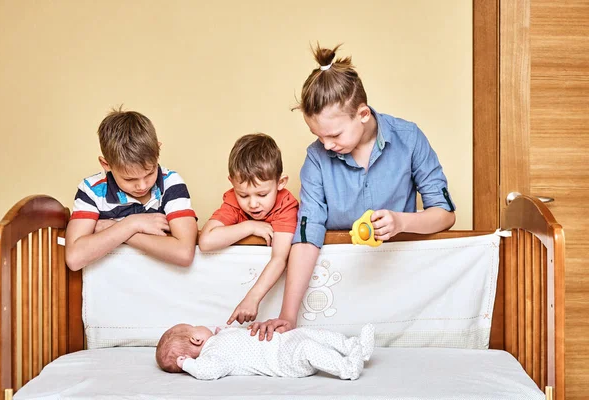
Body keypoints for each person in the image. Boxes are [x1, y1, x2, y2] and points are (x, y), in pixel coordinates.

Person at [249, 44, 456, 340]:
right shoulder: (316, 159)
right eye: (318, 136)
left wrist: (402, 223)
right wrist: (288, 315)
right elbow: (308, 236)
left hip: (399, 283)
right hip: (339, 285)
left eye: (333, 135)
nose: (327, 144)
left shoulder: (409, 138)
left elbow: (445, 214)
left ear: (362, 113)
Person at [65, 108, 198, 271]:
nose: (142, 186)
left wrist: (114, 227)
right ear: (106, 164)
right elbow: (75, 258)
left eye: (149, 173)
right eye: (129, 179)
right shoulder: (92, 190)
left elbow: (183, 253)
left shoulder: (171, 182)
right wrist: (132, 223)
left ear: (158, 150)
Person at [198, 133, 299, 325]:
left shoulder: (286, 206)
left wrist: (252, 298)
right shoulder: (233, 201)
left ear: (281, 182)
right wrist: (249, 226)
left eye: (262, 194)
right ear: (232, 183)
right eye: (243, 195)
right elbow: (205, 241)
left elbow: (279, 258)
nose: (253, 204)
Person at [155, 322, 375, 380]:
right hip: (283, 361)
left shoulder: (218, 340)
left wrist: (227, 332)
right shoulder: (213, 355)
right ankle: (347, 368)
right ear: (196, 339)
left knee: (312, 334)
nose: (202, 325)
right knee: (308, 348)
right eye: (195, 326)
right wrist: (187, 364)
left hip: (282, 342)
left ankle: (355, 347)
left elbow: (240, 340)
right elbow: (209, 370)